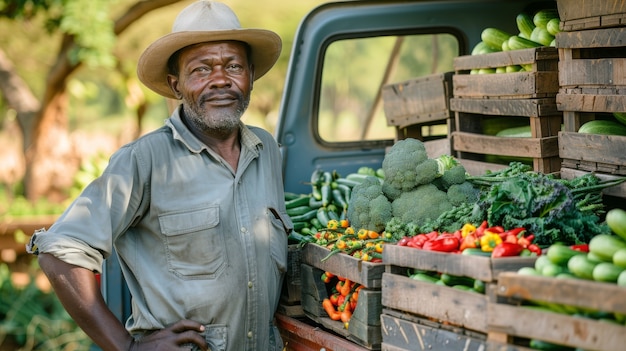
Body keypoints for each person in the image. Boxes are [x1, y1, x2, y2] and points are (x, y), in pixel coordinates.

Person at [26, 1, 292, 350]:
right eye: (201, 70)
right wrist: (127, 347)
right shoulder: (144, 161)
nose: (221, 80)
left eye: (233, 66)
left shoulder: (266, 150)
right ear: (175, 84)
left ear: (251, 76)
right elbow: (60, 252)